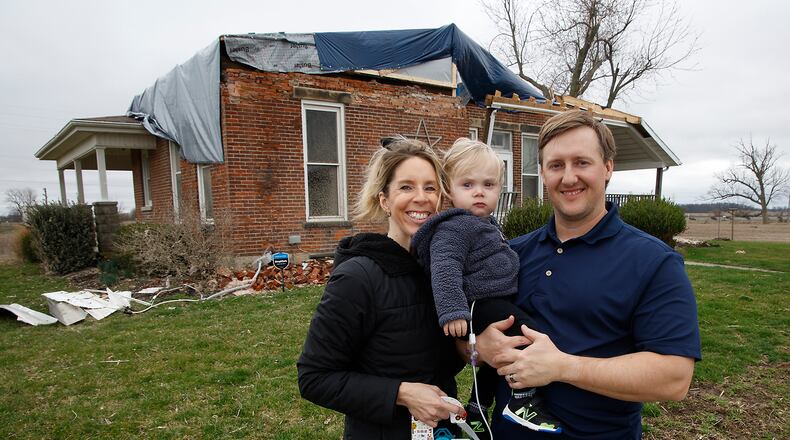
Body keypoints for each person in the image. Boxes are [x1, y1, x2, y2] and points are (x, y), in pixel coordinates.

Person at [475, 110, 701, 439]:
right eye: (556, 165)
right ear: (542, 172)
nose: (568, 178)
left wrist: (564, 366)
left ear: (607, 167)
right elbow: (462, 329)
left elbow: (674, 377)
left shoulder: (653, 262)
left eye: (582, 162)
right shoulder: (510, 253)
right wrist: (478, 347)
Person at [297, 137, 464, 440]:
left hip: (440, 431)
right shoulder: (357, 277)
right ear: (384, 199)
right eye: (406, 187)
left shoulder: (440, 272)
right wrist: (402, 393)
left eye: (430, 187)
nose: (421, 198)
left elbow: (439, 359)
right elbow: (314, 377)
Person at [411, 138, 562, 437]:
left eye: (489, 185)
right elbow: (444, 266)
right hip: (477, 303)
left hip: (489, 300)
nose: (479, 192)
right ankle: (522, 401)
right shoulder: (456, 226)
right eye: (468, 185)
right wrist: (453, 309)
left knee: (496, 360)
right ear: (449, 189)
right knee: (529, 336)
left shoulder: (484, 223)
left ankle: (478, 408)